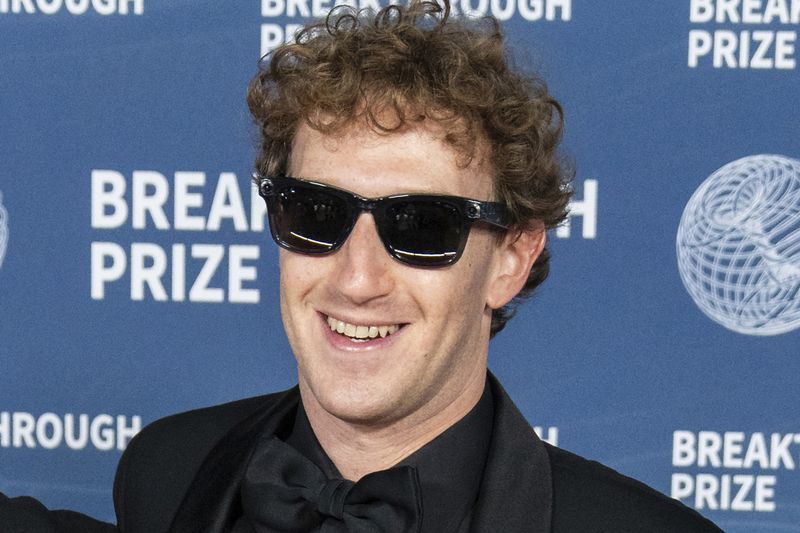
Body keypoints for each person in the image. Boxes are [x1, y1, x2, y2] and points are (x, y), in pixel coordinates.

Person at [1, 1, 723, 531]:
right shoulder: (170, 469)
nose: (357, 278)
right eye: (316, 214)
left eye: (423, 227)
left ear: (511, 257)